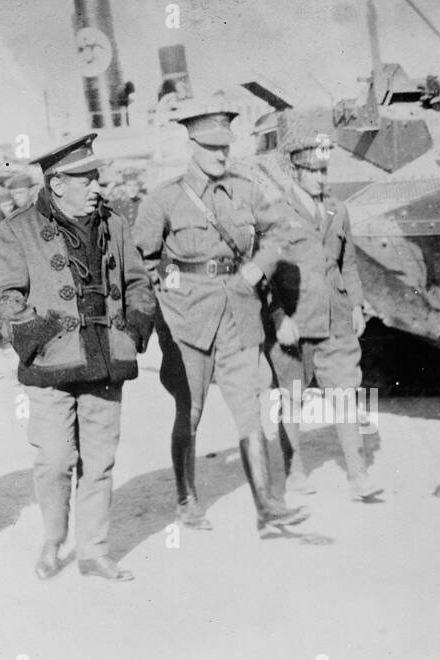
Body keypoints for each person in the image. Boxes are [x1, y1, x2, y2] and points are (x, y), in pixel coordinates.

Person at [132, 103, 310, 536]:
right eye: (211, 147)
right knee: (189, 412)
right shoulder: (164, 198)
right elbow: (141, 260)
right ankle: (186, 500)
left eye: (225, 147)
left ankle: (267, 506)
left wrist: (262, 264)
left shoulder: (246, 191)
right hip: (186, 321)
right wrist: (166, 306)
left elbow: (280, 230)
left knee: (248, 409)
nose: (220, 155)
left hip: (238, 313)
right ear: (191, 145)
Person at [0, 133, 157, 582]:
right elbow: (5, 296)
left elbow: (140, 282)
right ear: (59, 183)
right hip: (51, 366)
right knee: (55, 460)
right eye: (88, 178)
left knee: (100, 462)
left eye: (97, 176)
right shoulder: (18, 228)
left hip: (106, 361)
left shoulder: (115, 225)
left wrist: (135, 327)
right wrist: (38, 336)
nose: (97, 186)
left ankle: (94, 551)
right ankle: (53, 539)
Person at [266, 133, 381, 501]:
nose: (320, 177)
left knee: (346, 392)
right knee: (293, 396)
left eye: (324, 170)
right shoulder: (276, 213)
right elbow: (262, 275)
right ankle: (294, 471)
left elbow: (348, 262)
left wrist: (357, 304)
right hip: (295, 319)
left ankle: (359, 476)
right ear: (294, 171)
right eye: (312, 171)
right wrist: (279, 317)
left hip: (336, 315)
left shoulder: (338, 209)